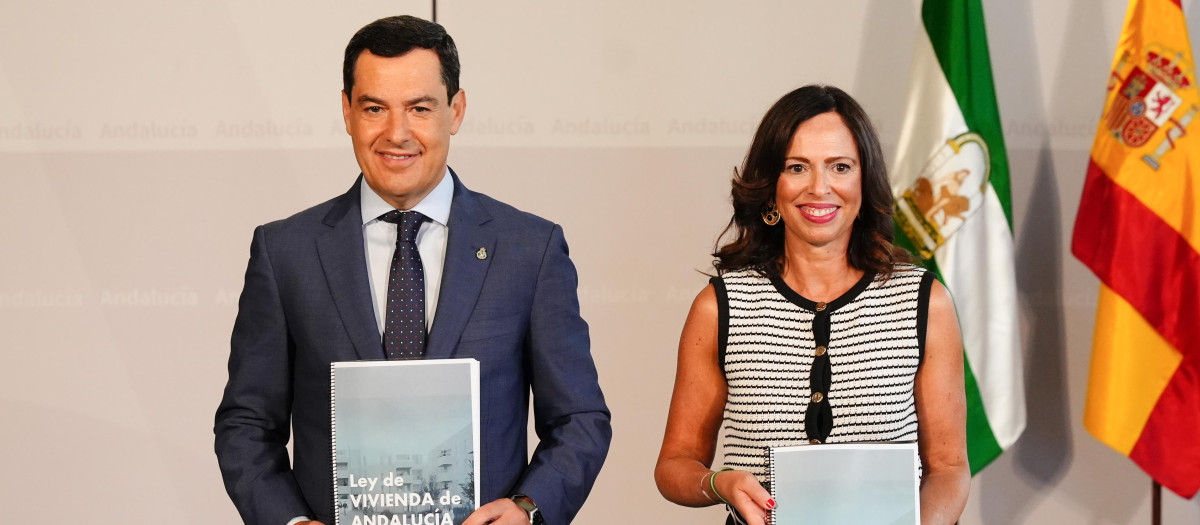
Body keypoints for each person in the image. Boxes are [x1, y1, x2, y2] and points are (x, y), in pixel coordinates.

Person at [214, 15, 611, 525]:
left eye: (419, 108)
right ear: (346, 111)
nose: (396, 133)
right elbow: (246, 423)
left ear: (457, 110)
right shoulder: (284, 250)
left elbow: (580, 418)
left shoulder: (529, 249)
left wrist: (527, 509)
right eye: (374, 108)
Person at [653, 85, 969, 525]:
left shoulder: (923, 301)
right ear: (770, 188)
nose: (820, 188)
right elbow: (675, 465)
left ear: (864, 180)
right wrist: (720, 483)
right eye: (797, 167)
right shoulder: (720, 307)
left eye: (840, 167)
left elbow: (950, 468)